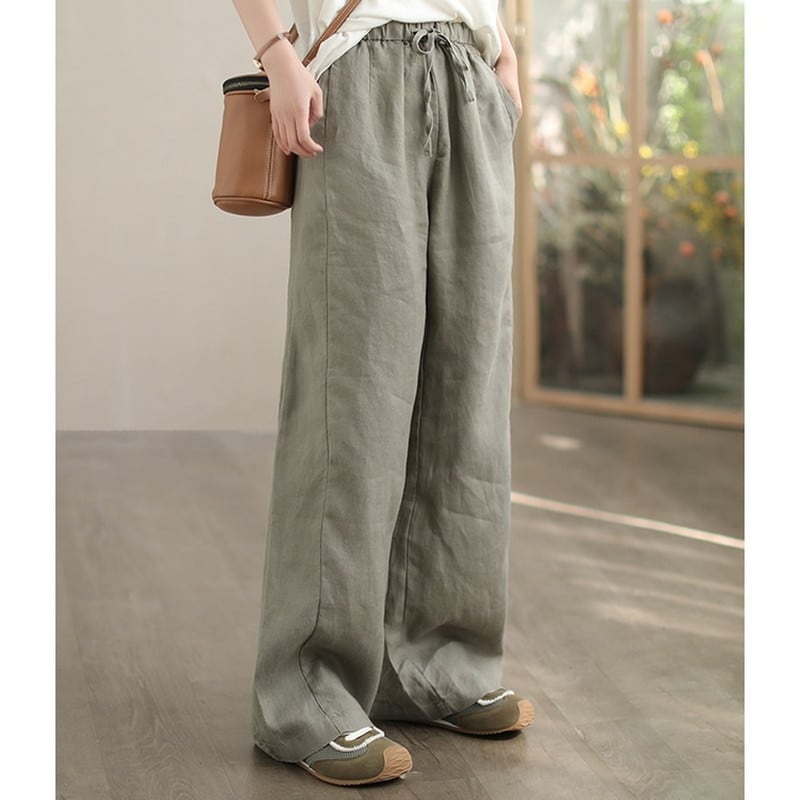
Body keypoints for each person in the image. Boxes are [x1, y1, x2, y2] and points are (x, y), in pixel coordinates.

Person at [231, 0, 535, 786]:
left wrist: (503, 49)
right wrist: (278, 56)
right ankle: (306, 695)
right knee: (352, 392)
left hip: (470, 71)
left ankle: (436, 667)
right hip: (360, 75)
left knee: (466, 386)